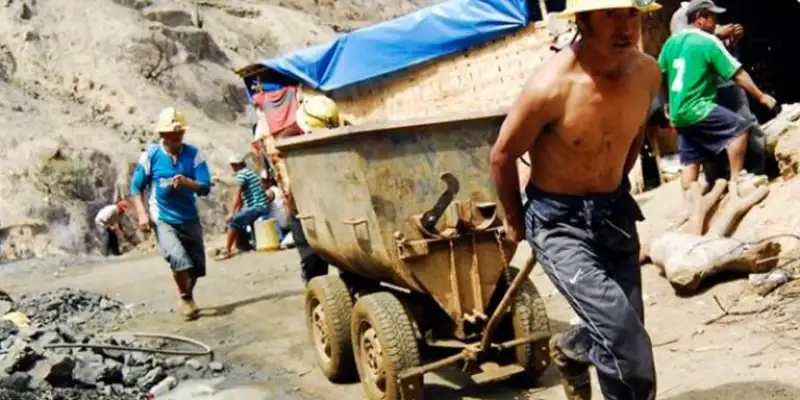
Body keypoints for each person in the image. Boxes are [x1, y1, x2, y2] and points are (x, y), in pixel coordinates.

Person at [490, 0, 663, 398]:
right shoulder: (550, 87)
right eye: (609, 14)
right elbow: (501, 154)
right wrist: (516, 222)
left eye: (631, 13)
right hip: (559, 222)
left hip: (615, 211)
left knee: (625, 330)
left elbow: (635, 130)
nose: (624, 26)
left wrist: (618, 178)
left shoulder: (647, 73)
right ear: (582, 21)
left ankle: (571, 349)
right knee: (626, 341)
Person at [658, 0, 777, 193]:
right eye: (712, 17)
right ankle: (737, 179)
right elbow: (737, 74)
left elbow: (659, 74)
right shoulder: (706, 40)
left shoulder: (670, 43)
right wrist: (761, 96)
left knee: (691, 161)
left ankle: (690, 200)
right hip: (699, 105)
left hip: (679, 111)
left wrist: (667, 105)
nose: (716, 22)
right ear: (699, 19)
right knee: (740, 129)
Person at [130, 107, 212, 321]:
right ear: (162, 135)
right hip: (163, 217)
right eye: (171, 137)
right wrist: (142, 213)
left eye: (179, 136)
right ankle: (185, 297)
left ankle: (188, 293)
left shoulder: (194, 155)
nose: (176, 140)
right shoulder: (151, 156)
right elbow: (135, 188)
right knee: (177, 257)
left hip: (189, 216)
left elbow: (205, 187)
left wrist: (187, 183)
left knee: (196, 268)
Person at [218, 154, 272, 259]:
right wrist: (236, 212)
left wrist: (232, 214)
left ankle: (227, 250)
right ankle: (242, 246)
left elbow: (237, 195)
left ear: (235, 165)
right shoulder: (249, 173)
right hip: (262, 206)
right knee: (239, 219)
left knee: (234, 221)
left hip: (258, 206)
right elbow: (242, 199)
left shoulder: (242, 174)